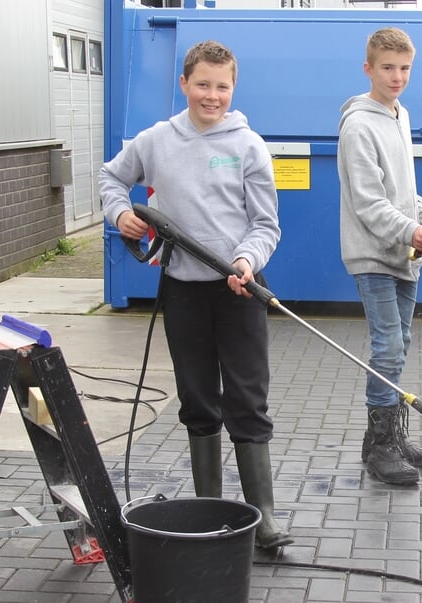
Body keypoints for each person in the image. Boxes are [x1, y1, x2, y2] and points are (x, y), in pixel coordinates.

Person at [98, 40, 292, 549]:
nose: (212, 95)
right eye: (202, 84)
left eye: (222, 86)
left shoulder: (248, 145)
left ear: (233, 88)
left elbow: (265, 224)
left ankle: (263, 519)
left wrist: (247, 261)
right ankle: (212, 510)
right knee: (199, 400)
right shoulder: (156, 140)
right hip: (182, 290)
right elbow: (110, 178)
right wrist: (122, 215)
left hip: (240, 290)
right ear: (183, 84)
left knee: (248, 400)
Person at [337, 27, 422, 486]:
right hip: (373, 254)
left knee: (401, 346)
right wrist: (409, 231)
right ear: (368, 69)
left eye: (404, 68)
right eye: (387, 68)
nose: (396, 76)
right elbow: (368, 202)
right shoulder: (359, 125)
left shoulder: (400, 114)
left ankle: (392, 438)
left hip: (404, 252)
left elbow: (403, 190)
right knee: (388, 347)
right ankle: (380, 449)